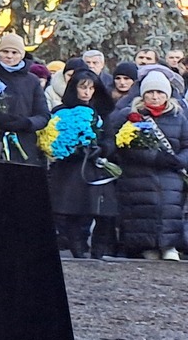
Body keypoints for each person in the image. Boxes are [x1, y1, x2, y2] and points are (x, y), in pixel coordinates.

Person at [108, 71, 188, 260]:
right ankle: (146, 245)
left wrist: (180, 160)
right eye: (150, 92)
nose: (155, 96)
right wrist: (153, 158)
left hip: (170, 176)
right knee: (144, 211)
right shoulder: (129, 116)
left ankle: (169, 245)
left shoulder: (179, 117)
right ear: (142, 95)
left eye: (159, 93)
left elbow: (186, 144)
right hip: (138, 177)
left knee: (169, 210)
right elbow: (120, 145)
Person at [50, 66, 119, 259]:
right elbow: (53, 139)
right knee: (74, 212)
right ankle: (78, 250)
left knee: (105, 212)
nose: (87, 92)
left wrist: (102, 149)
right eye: (83, 87)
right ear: (74, 88)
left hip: (96, 166)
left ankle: (98, 251)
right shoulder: (61, 112)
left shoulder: (101, 112)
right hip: (71, 168)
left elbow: (110, 138)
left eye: (91, 88)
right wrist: (72, 148)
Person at [0, 32, 51, 162]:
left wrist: (27, 123)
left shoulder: (32, 80)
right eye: (5, 51)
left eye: (14, 52)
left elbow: (43, 115)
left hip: (23, 147)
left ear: (22, 55)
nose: (9, 56)